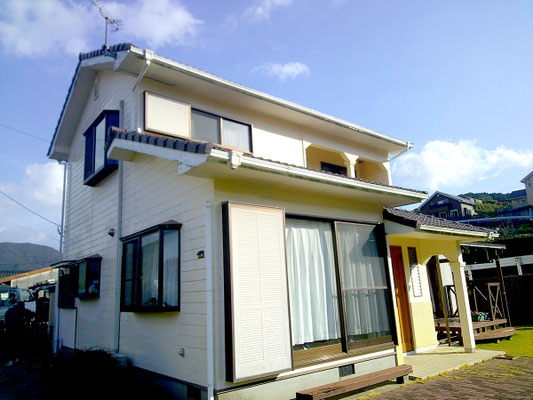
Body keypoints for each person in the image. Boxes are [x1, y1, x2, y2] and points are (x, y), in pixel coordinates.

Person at [3, 301, 25, 366]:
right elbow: (20, 321)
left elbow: (6, 318)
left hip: (9, 330)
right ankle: (16, 359)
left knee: (10, 346)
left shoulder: (10, 310)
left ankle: (11, 360)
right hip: (16, 331)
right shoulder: (20, 311)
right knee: (17, 345)